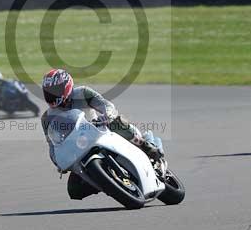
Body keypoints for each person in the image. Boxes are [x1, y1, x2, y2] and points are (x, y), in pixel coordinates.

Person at [40, 68, 163, 200]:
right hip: (77, 148)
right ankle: (106, 183)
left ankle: (145, 144)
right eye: (48, 93)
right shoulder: (47, 118)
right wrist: (59, 162)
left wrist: (107, 115)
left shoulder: (82, 93)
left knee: (116, 122)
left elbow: (106, 105)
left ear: (66, 87)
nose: (51, 96)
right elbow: (53, 146)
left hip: (98, 129)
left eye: (55, 91)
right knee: (74, 190)